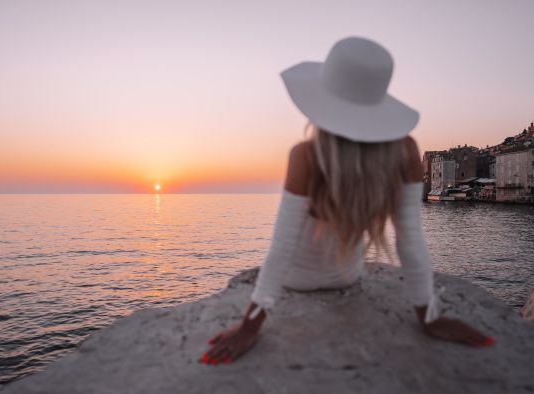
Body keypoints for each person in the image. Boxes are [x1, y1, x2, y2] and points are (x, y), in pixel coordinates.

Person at [199, 36, 494, 366]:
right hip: (348, 276)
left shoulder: (307, 155)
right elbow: (410, 243)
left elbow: (282, 247)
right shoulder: (405, 150)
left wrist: (249, 327)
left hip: (296, 279)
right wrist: (428, 317)